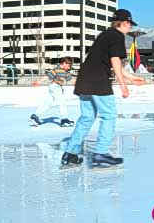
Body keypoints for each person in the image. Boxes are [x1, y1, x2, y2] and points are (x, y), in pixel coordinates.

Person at [61, 9, 145, 168]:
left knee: (86, 118)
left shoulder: (105, 34)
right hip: (98, 81)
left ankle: (70, 153)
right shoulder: (117, 36)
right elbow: (115, 62)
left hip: (84, 80)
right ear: (124, 23)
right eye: (129, 25)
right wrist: (123, 86)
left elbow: (114, 65)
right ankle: (100, 154)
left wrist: (131, 78)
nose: (130, 29)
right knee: (109, 115)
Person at [29, 57, 75, 127]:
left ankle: (35, 116)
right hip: (55, 87)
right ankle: (64, 120)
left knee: (48, 103)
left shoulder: (65, 72)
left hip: (56, 88)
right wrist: (39, 82)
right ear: (65, 63)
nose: (69, 68)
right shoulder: (56, 69)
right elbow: (48, 76)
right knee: (62, 102)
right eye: (69, 66)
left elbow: (72, 80)